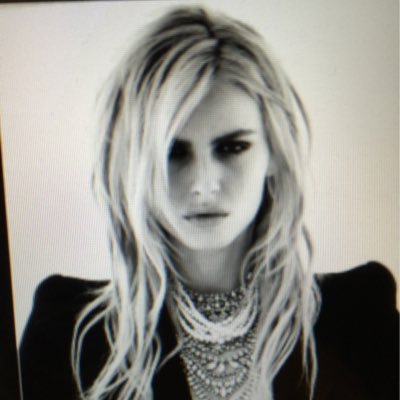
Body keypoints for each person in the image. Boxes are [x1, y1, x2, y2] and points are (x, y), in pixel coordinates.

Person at [19, 6, 398, 400]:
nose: (203, 184)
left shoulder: (359, 314)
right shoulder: (68, 334)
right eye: (173, 152)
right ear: (133, 163)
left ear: (274, 152)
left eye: (232, 147)